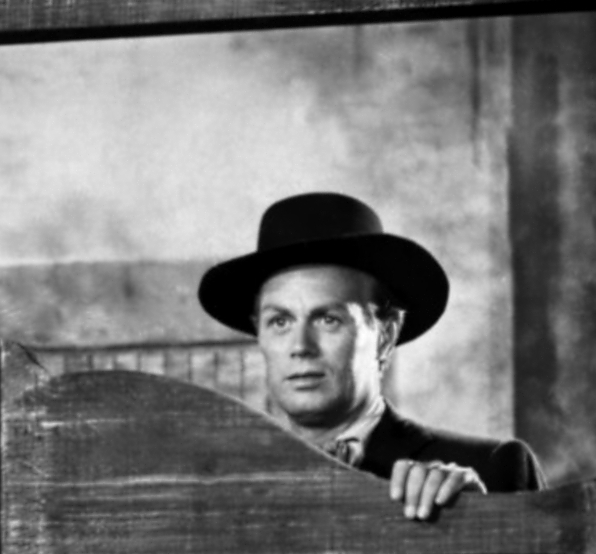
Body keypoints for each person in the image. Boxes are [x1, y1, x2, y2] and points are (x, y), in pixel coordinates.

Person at [197, 192, 545, 516]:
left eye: (329, 319)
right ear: (259, 334)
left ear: (385, 336)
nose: (300, 347)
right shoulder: (222, 490)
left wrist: (477, 519)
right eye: (280, 321)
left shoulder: (493, 469)